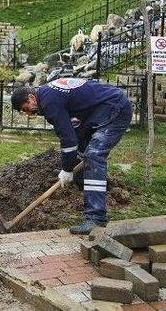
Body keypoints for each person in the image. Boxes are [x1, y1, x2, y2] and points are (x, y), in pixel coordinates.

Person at [11, 78, 133, 235]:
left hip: (115, 109)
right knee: (81, 145)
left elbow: (68, 140)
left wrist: (67, 169)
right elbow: (73, 131)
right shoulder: (48, 95)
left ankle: (95, 219)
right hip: (99, 110)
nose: (28, 113)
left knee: (93, 155)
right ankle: (83, 181)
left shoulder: (49, 102)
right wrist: (68, 164)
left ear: (31, 98)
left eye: (25, 108)